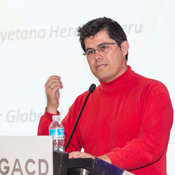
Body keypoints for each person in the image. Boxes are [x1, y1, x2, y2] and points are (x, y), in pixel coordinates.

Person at [37, 17, 173, 175]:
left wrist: (101, 161)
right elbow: (53, 155)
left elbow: (151, 145)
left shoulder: (153, 90)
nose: (97, 56)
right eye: (90, 51)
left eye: (103, 47)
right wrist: (51, 109)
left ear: (124, 47)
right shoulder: (84, 100)